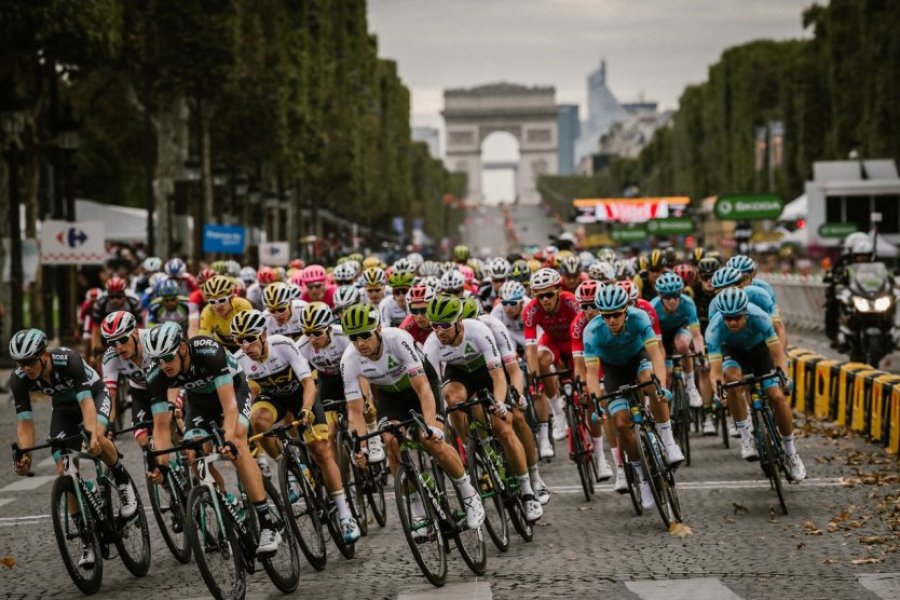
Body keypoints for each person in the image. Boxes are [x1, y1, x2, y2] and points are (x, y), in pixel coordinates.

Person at [339, 303, 486, 530]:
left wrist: (432, 427)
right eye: (353, 338)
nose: (359, 343)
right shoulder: (349, 359)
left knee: (431, 440)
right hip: (390, 396)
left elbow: (424, 390)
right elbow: (355, 412)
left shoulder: (398, 340)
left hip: (421, 387)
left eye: (365, 336)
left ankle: (469, 495)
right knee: (391, 441)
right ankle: (416, 508)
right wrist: (362, 447)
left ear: (378, 329)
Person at [143, 322, 283, 555]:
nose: (163, 364)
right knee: (194, 452)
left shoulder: (207, 351)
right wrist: (162, 466)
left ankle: (267, 523)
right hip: (199, 403)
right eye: (157, 359)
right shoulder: (157, 375)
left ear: (183, 350)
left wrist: (227, 439)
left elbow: (229, 407)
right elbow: (160, 426)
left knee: (237, 443)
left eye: (168, 356)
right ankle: (226, 500)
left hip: (233, 390)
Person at [10, 329, 138, 568]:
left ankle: (122, 481)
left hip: (93, 395)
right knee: (64, 469)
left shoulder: (68, 360)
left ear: (44, 356)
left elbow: (87, 402)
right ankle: (87, 539)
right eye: (20, 363)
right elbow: (25, 422)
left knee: (97, 438)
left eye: (29, 361)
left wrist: (90, 435)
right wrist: (25, 454)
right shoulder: (19, 379)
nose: (25, 368)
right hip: (63, 410)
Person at [232, 310, 361, 543]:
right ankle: (291, 465)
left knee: (321, 450)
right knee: (257, 421)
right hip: (273, 399)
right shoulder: (239, 360)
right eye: (239, 340)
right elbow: (248, 397)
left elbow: (308, 383)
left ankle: (345, 514)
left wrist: (307, 408)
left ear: (262, 335)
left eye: (249, 338)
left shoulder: (283, 345)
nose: (244, 345)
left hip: (301, 395)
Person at [423, 296, 542, 522]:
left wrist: (499, 404)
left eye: (445, 325)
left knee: (505, 428)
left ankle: (528, 492)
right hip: (459, 375)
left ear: (459, 322)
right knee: (451, 398)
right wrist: (436, 421)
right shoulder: (431, 344)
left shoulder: (479, 330)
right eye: (435, 326)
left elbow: (499, 375)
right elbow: (433, 390)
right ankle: (473, 448)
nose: (439, 331)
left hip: (487, 374)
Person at [582, 286, 682, 511]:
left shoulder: (639, 318)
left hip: (639, 360)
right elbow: (590, 373)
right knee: (620, 422)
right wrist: (597, 403)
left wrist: (662, 387)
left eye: (616, 314)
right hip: (613, 371)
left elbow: (656, 355)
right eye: (605, 315)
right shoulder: (592, 331)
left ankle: (668, 439)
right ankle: (643, 478)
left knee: (650, 383)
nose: (611, 320)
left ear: (626, 310)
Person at [705, 288, 806, 481]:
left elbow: (778, 356)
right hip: (733, 352)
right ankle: (746, 437)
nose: (732, 322)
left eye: (737, 317)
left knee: (776, 395)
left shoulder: (759, 316)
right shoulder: (715, 328)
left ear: (746, 312)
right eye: (728, 318)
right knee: (732, 379)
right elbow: (715, 372)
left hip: (760, 351)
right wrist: (719, 390)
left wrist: (783, 377)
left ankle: (791, 453)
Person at [523, 268, 581, 457]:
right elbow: (531, 347)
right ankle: (558, 412)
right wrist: (534, 375)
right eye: (540, 296)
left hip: (575, 342)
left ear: (558, 290)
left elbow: (587, 333)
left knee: (582, 382)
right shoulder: (531, 310)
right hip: (553, 341)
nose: (545, 300)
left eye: (549, 294)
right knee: (540, 360)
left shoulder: (571, 301)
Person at [649, 272, 705, 408]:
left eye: (675, 296)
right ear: (661, 296)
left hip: (681, 330)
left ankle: (691, 386)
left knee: (682, 344)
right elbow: (653, 342)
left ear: (681, 293)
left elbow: (696, 335)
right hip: (660, 336)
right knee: (666, 375)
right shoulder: (653, 308)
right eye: (667, 297)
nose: (672, 300)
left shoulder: (688, 303)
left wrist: (701, 353)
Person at [197, 275, 253, 352]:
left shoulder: (243, 306)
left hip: (244, 343)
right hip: (223, 346)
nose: (218, 306)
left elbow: (254, 333)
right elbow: (203, 339)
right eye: (212, 302)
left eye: (222, 300)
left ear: (231, 297)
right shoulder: (207, 312)